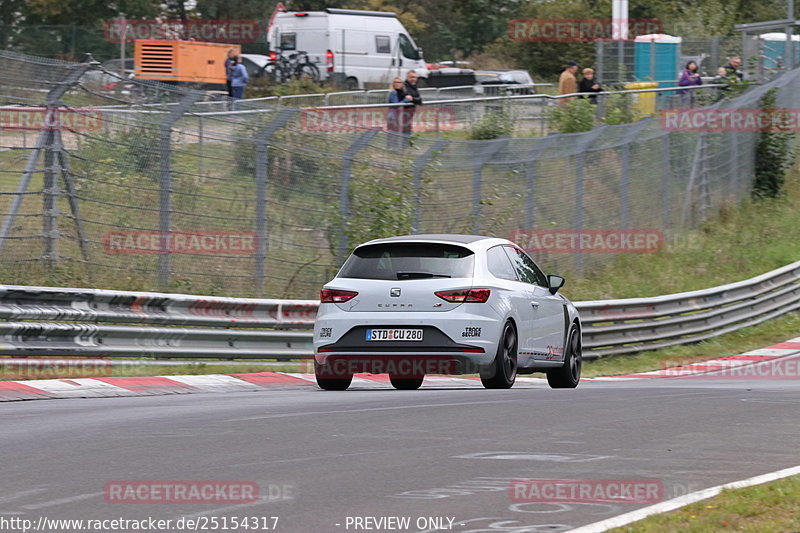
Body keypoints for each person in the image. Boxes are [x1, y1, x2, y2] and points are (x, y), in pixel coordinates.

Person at [400, 70, 422, 145]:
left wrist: (413, 99)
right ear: (407, 77)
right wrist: (414, 99)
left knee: (407, 130)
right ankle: (397, 148)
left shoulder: (414, 86)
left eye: (415, 77)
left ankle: (405, 147)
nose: (413, 79)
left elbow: (420, 100)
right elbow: (407, 98)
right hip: (402, 112)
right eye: (411, 77)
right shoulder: (404, 86)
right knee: (399, 130)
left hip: (410, 112)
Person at [386, 77, 407, 150]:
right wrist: (406, 100)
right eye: (395, 82)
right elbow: (397, 104)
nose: (397, 84)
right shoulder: (393, 93)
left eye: (399, 82)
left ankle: (394, 148)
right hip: (392, 116)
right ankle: (391, 148)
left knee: (396, 133)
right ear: (393, 84)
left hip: (398, 116)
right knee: (392, 134)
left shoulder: (401, 93)